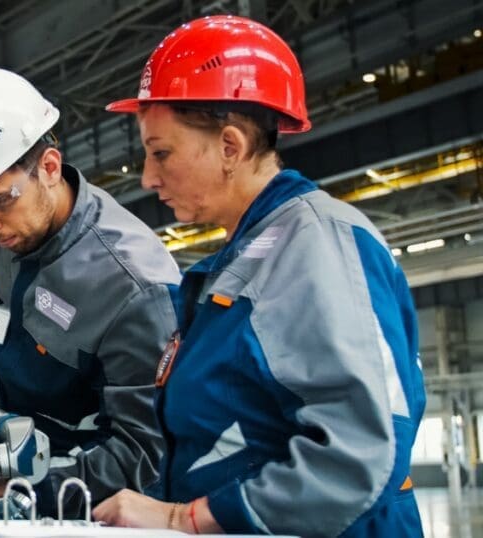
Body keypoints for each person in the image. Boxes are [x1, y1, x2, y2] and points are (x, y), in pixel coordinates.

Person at [94, 15, 426, 537]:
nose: (148, 177)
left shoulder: (318, 244)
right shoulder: (238, 263)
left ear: (230, 146)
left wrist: (187, 519)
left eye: (161, 153)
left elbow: (364, 454)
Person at [0, 67, 181, 516]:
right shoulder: (18, 231)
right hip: (21, 469)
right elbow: (9, 316)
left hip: (84, 504)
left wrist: (23, 495)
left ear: (50, 168)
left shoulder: (134, 287)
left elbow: (146, 456)